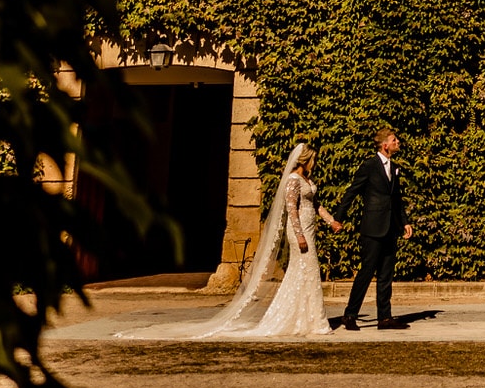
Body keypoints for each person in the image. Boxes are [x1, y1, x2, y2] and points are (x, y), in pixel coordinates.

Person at [120, 139, 338, 339]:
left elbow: (315, 205)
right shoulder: (293, 180)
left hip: (310, 229)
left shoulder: (307, 180)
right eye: (313, 159)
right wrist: (299, 234)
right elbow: (291, 209)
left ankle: (307, 318)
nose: (315, 163)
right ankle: (311, 320)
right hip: (299, 231)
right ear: (305, 160)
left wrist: (331, 221)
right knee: (309, 270)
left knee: (304, 273)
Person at [336, 125, 412, 330]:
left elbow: (397, 198)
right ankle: (350, 315)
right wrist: (339, 218)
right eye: (394, 140)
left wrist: (404, 222)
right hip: (373, 227)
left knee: (386, 274)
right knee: (367, 271)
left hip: (391, 228)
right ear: (385, 145)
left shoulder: (394, 167)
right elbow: (352, 191)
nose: (398, 142)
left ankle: (384, 318)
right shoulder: (369, 166)